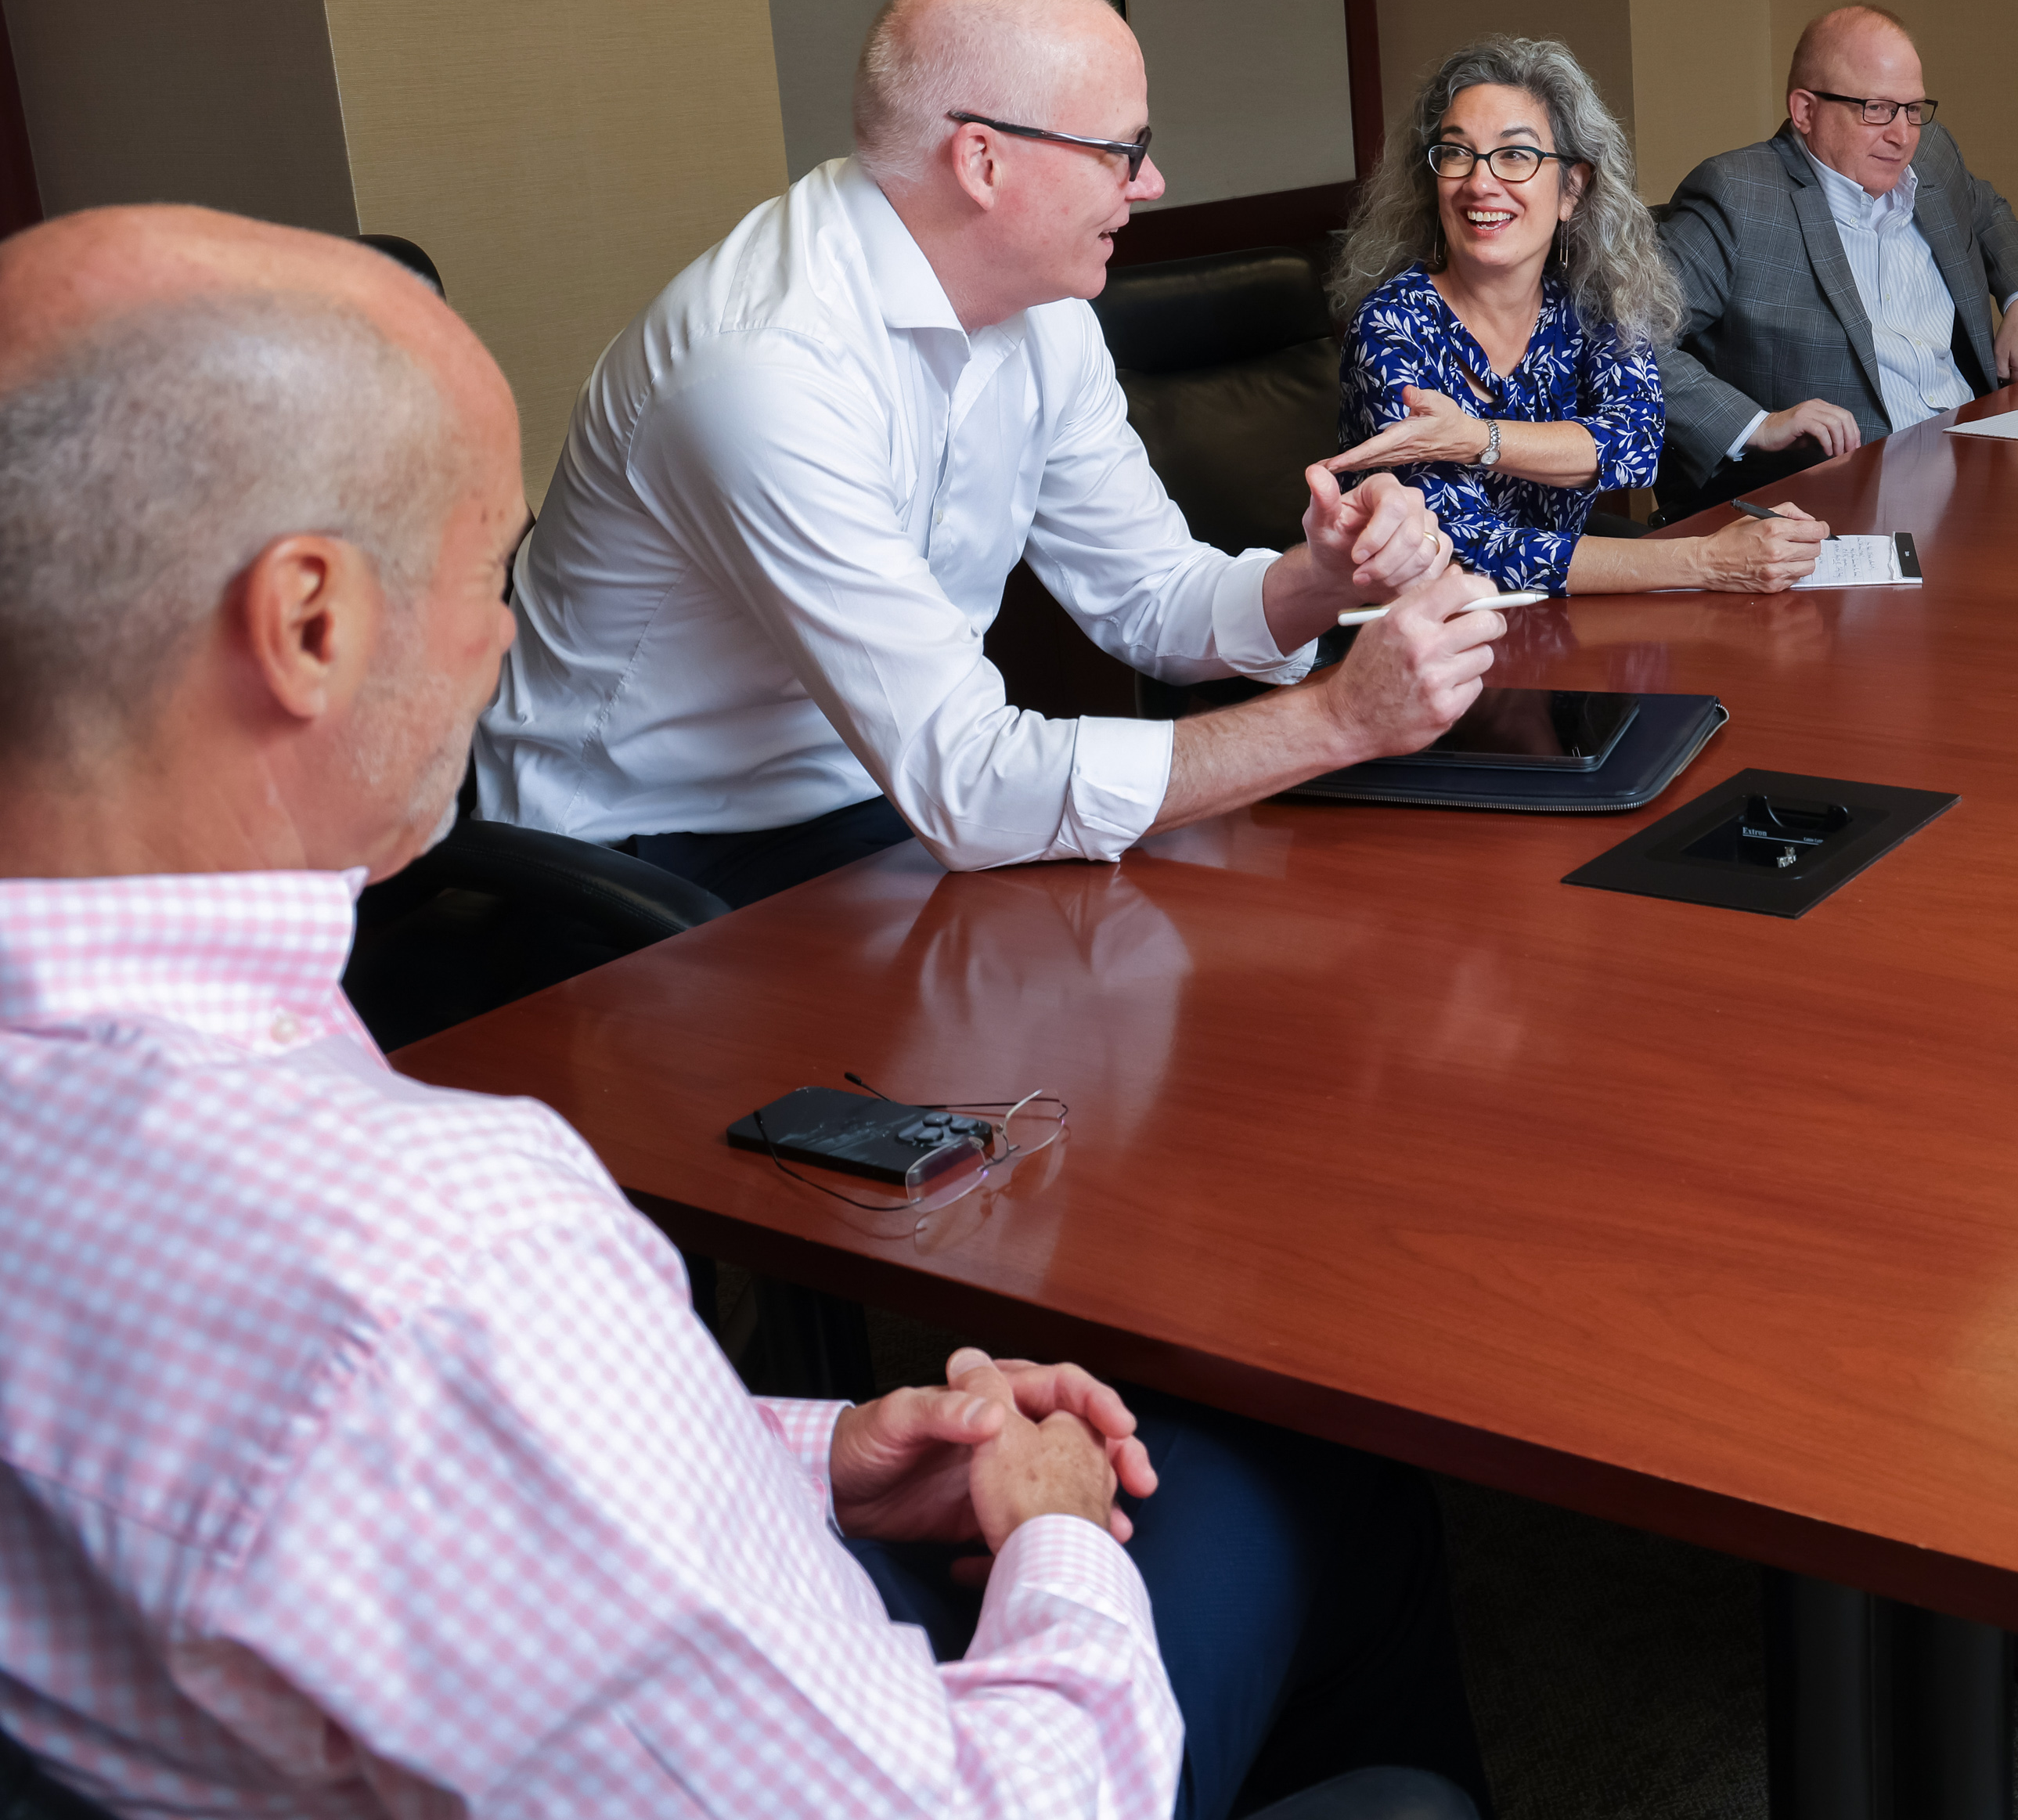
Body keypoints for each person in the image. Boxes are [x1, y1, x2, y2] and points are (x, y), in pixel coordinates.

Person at [0, 206, 1484, 1820]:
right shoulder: (446, 1256)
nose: (508, 632)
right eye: (489, 566)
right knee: (1309, 1464)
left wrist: (810, 1449)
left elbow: (379, 1477)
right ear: (309, 625)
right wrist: (1052, 1526)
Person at [475, 0, 1501, 906]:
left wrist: (1316, 581)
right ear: (982, 160)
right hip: (644, 857)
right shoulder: (762, 371)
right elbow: (968, 786)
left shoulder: (1045, 312)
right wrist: (1337, 720)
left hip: (884, 812)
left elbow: (1150, 597)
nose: (1150, 185)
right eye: (1123, 150)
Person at [1325, 37, 1827, 593]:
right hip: (1428, 635)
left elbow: (1635, 446)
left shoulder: (1591, 302)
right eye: (1457, 152)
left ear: (1572, 188)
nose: (1479, 181)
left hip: (1560, 616)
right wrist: (1703, 561)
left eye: (1515, 154)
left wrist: (1474, 438)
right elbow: (1460, 547)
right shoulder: (1391, 328)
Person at [1652, 3, 2018, 512]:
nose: (1902, 135)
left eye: (1912, 109)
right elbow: (1622, 340)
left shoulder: (1933, 158)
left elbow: (1988, 213)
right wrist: (1756, 426)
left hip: (1982, 465)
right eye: (1876, 109)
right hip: (1837, 498)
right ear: (1805, 111)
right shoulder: (1738, 198)